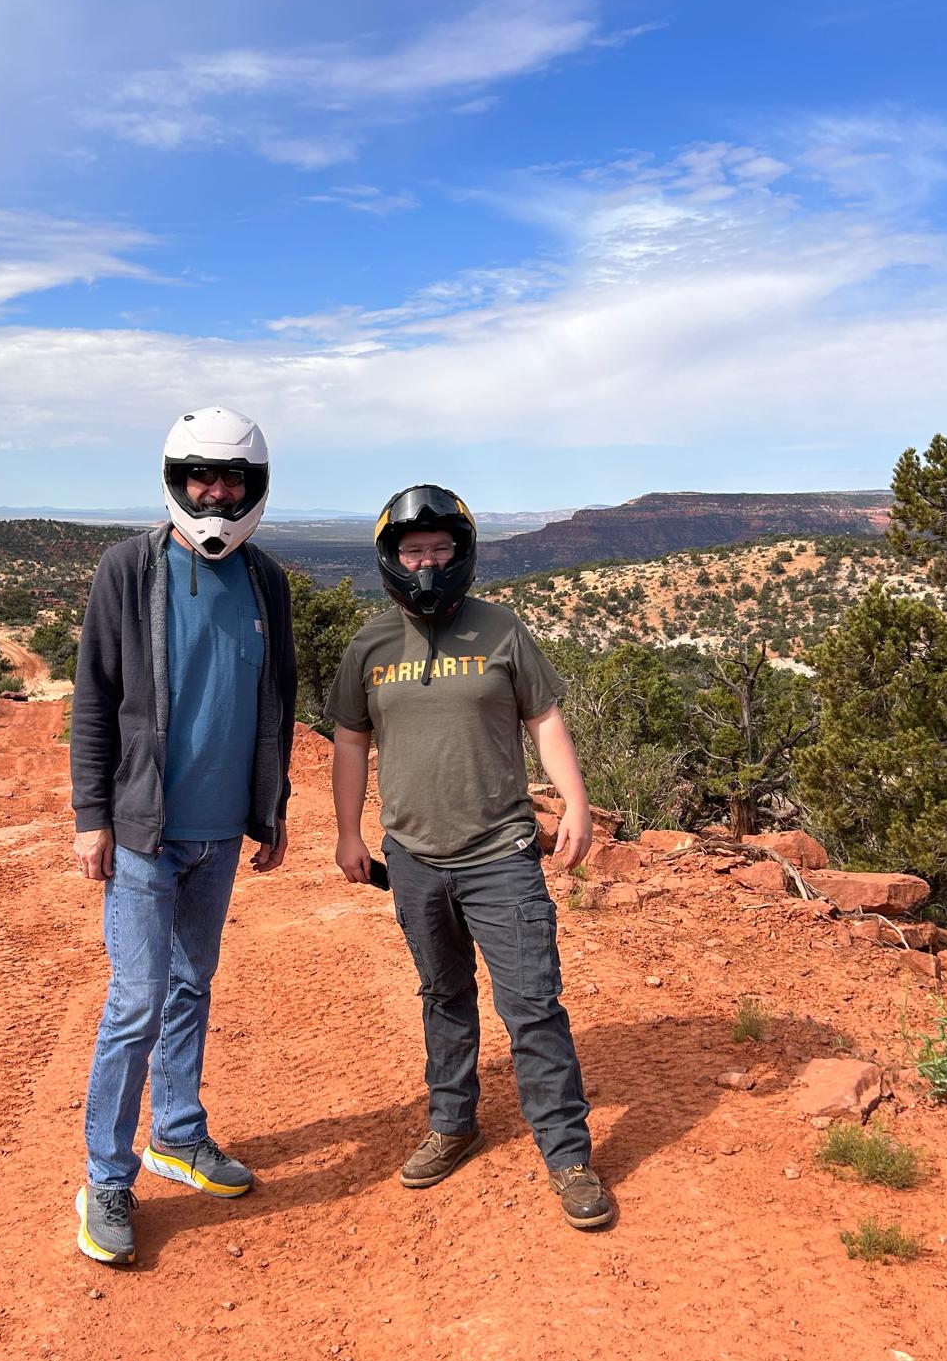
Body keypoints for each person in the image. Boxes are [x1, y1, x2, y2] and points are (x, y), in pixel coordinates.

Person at [324, 485, 614, 1231]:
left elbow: (544, 718)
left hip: (501, 851)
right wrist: (348, 831)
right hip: (414, 856)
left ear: (461, 552)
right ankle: (453, 1124)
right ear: (393, 558)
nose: (427, 562)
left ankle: (568, 1154)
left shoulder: (503, 630)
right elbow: (351, 741)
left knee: (531, 1005)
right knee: (442, 995)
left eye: (439, 549)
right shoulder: (371, 645)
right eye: (414, 551)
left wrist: (575, 802)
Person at [70, 406, 297, 1266]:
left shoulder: (266, 581)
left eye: (231, 479)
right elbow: (94, 699)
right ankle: (107, 1178)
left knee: (192, 982)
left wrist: (270, 810)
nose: (215, 492)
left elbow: (275, 699)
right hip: (143, 830)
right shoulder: (129, 570)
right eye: (202, 476)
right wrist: (91, 817)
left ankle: (177, 1134)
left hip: (219, 834)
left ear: (253, 488)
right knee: (135, 1000)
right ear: (176, 478)